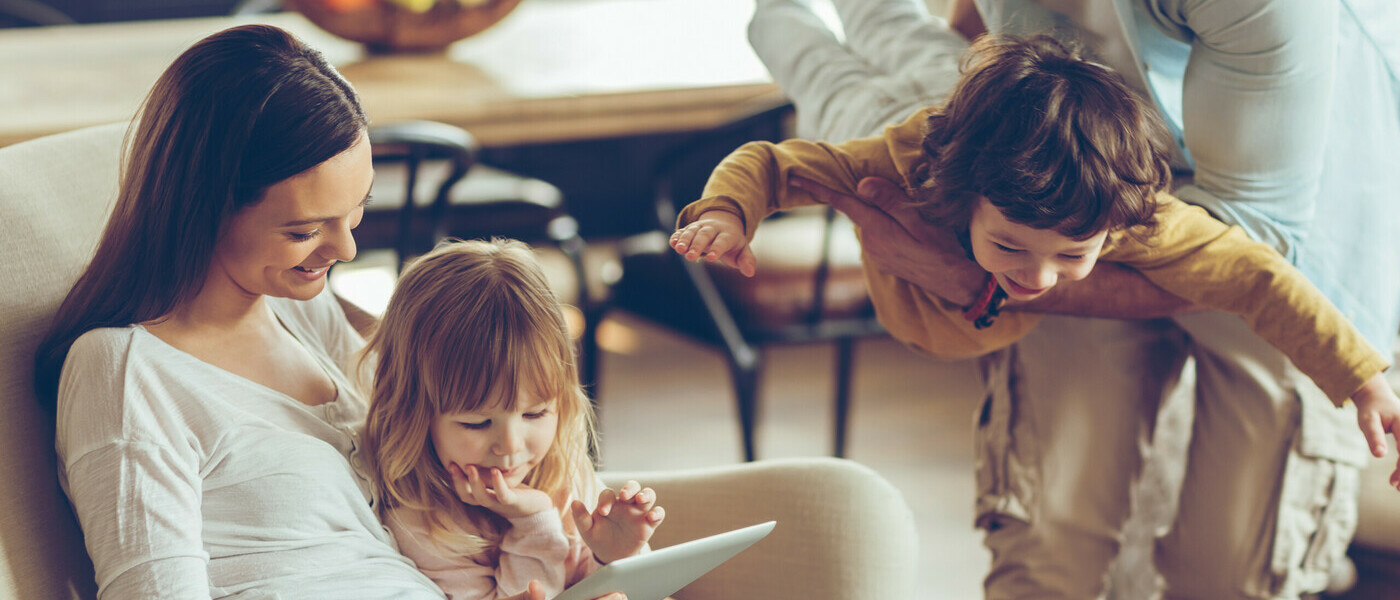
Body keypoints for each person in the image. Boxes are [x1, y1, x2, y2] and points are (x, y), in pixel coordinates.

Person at [738, 0, 1400, 598]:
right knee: (1048, 544)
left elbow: (1251, 256)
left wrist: (975, 282)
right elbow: (780, 161)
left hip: (1251, 226)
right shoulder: (945, 169)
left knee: (1232, 570)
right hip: (1054, 187)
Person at [31, 24, 622, 600]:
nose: (346, 251)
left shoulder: (302, 314)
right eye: (305, 230)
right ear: (203, 208)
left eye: (356, 213)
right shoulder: (125, 372)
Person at [670, 30, 1400, 467]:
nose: (1040, 278)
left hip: (955, 111)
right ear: (967, 197)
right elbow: (773, 161)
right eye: (1011, 246)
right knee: (828, 57)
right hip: (889, 134)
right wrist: (730, 214)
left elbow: (1260, 278)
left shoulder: (1135, 217)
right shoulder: (907, 163)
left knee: (903, 47)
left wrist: (1362, 378)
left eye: (1069, 255)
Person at [361, 238, 665, 599]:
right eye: (476, 422)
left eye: (535, 413)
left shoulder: (564, 472)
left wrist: (615, 555)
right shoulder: (424, 526)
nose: (510, 445)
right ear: (413, 411)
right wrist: (533, 521)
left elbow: (621, 590)